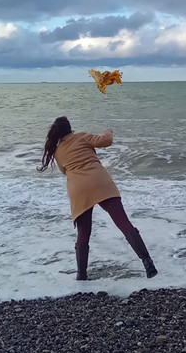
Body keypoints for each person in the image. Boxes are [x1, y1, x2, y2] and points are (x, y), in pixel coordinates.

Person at [38, 116, 158, 281]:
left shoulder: (58, 152)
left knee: (83, 233)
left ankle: (81, 275)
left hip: (78, 189)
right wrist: (107, 131)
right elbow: (106, 141)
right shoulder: (81, 136)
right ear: (70, 127)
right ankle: (147, 262)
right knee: (123, 223)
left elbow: (64, 171)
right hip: (100, 182)